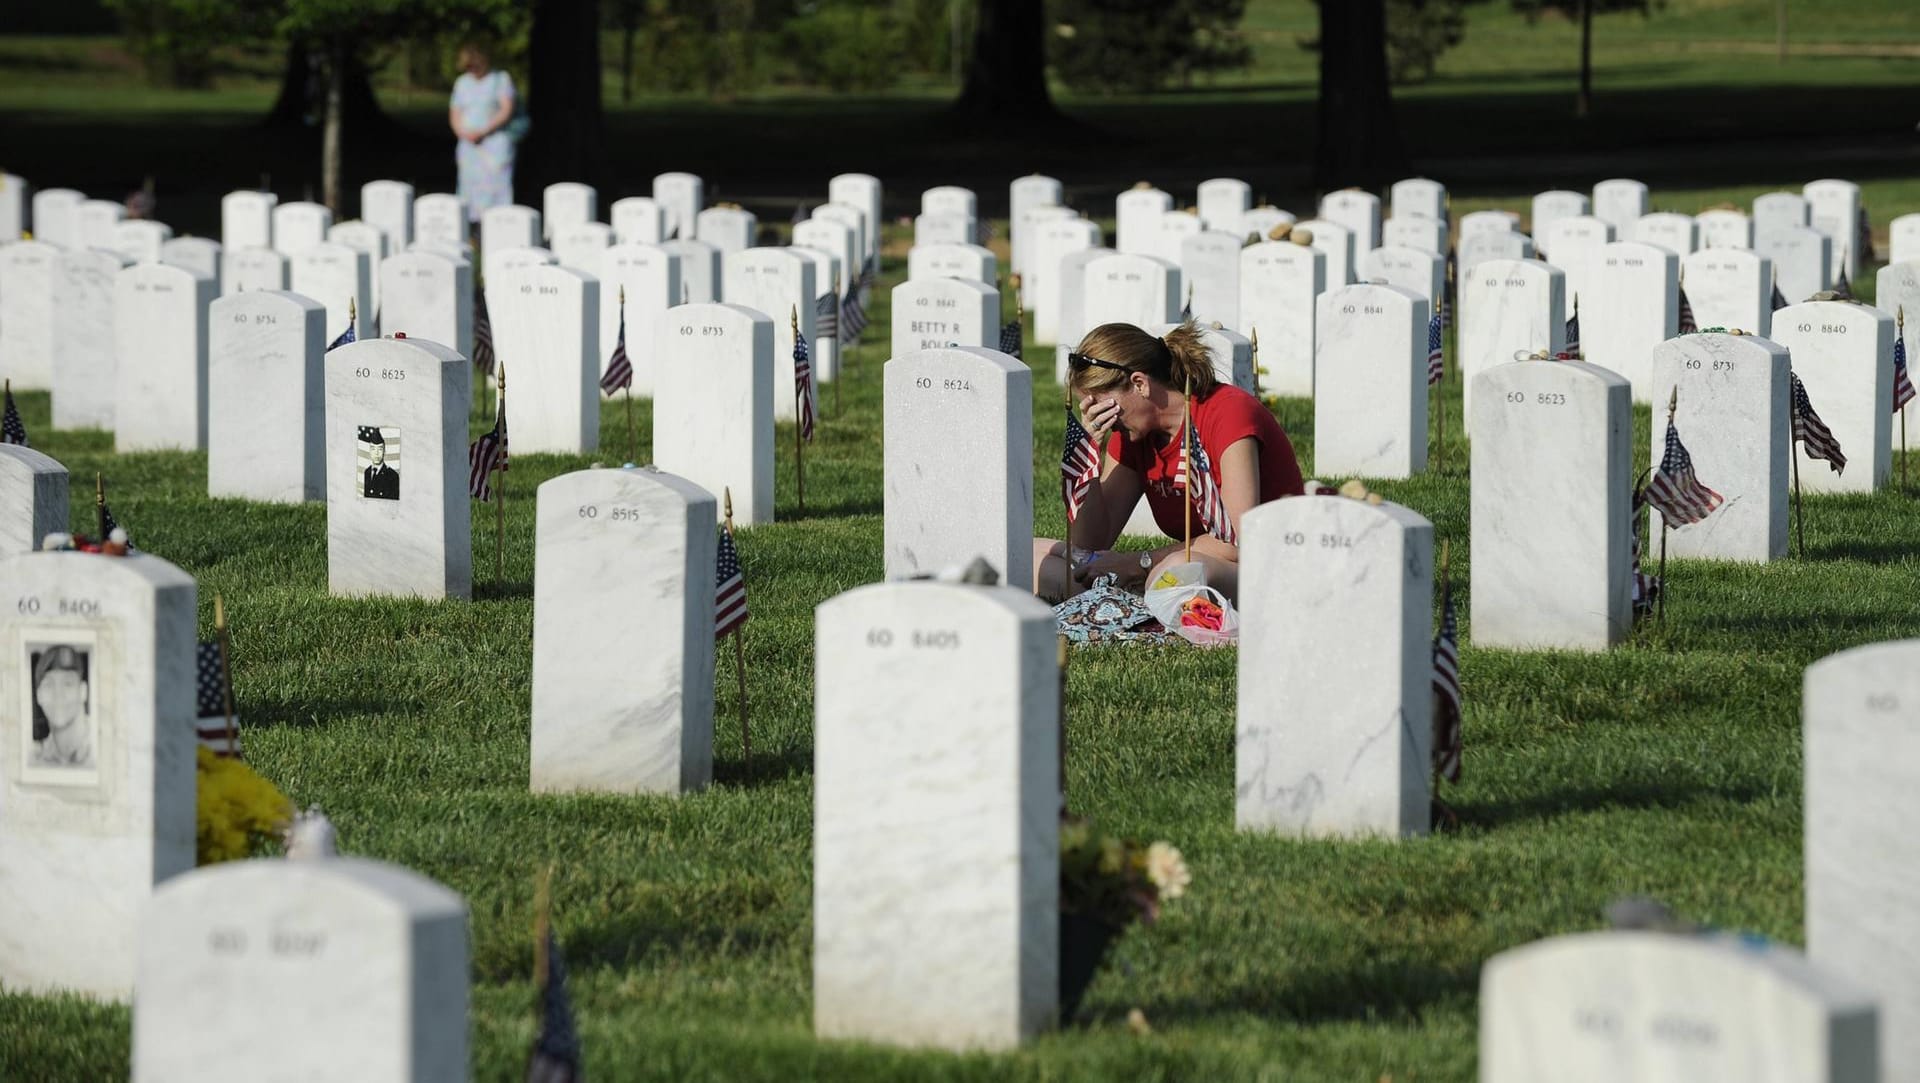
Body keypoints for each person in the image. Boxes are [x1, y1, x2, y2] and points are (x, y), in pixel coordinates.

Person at [1033, 321, 1304, 605]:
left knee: (1174, 571)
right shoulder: (1134, 433)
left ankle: (1132, 600)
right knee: (1033, 554)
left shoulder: (1228, 413)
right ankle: (1135, 601)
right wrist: (1088, 454)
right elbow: (1090, 541)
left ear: (1140, 383)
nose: (1101, 417)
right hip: (1188, 566)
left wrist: (1138, 563)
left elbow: (1237, 542)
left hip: (1266, 563)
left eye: (1101, 405)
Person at [449, 42, 517, 223]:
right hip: (468, 144)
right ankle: (472, 227)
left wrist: (484, 131)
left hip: (493, 143)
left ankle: (498, 223)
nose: (472, 70)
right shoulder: (462, 83)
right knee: (469, 187)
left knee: (495, 186)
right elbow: (455, 114)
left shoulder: (500, 79)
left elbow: (506, 109)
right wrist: (463, 133)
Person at [31, 645, 92, 769]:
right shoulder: (36, 758)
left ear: (83, 692)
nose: (58, 694)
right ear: (38, 696)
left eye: (67, 684)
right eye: (49, 684)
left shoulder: (102, 745)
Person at [360, 427, 399, 500]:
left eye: (380, 449)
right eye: (373, 449)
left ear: (385, 451)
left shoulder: (393, 476)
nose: (376, 453)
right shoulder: (367, 472)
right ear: (369, 451)